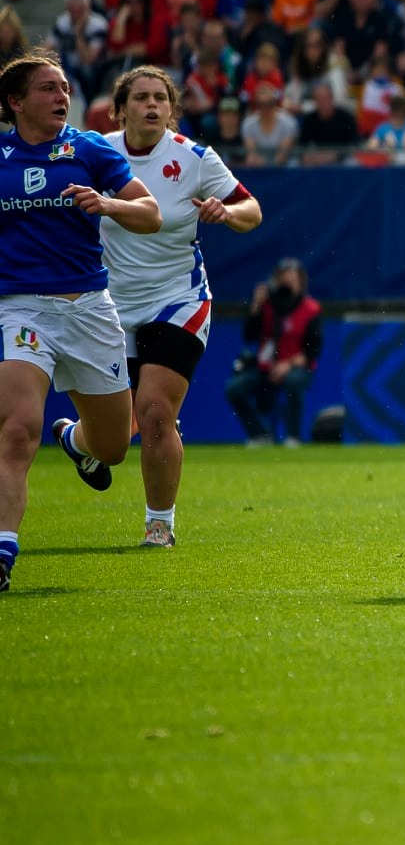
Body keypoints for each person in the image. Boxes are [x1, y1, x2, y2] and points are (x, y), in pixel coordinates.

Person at [0, 50, 163, 592]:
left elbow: (151, 214)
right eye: (48, 88)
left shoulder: (87, 148)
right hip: (21, 309)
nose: (61, 97)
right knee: (18, 430)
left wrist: (108, 205)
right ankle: (3, 549)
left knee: (115, 445)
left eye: (65, 87)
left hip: (91, 310)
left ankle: (76, 442)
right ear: (16, 101)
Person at [101, 66, 262, 547]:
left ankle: (159, 525)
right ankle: (77, 441)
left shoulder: (194, 158)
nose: (152, 106)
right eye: (141, 98)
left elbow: (251, 211)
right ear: (121, 107)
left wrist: (226, 213)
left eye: (160, 99)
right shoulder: (97, 151)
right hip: (107, 304)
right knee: (111, 436)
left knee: (154, 412)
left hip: (179, 297)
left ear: (171, 109)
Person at [224, 259, 321, 447]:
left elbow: (313, 350)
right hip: (264, 368)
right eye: (284, 280)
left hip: (294, 367)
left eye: (293, 280)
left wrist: (287, 365)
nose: (288, 284)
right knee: (234, 389)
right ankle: (260, 434)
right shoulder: (268, 305)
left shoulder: (310, 309)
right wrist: (256, 306)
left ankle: (293, 437)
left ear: (301, 283)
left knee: (294, 382)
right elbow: (249, 336)